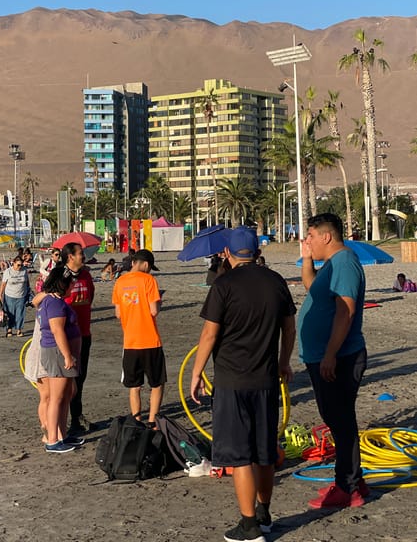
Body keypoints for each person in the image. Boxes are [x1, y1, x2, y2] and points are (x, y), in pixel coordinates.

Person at [190, 226, 296, 542]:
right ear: (257, 252)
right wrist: (283, 361)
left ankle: (249, 525)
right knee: (264, 451)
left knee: (241, 456)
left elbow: (209, 335)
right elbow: (289, 329)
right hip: (265, 380)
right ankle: (263, 514)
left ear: (227, 253)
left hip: (232, 381)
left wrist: (196, 373)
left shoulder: (223, 285)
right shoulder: (276, 282)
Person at [299, 213, 368, 510]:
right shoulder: (331, 265)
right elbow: (311, 287)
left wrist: (329, 354)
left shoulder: (345, 263)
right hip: (325, 356)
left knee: (340, 421)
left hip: (339, 356)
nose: (307, 242)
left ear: (326, 236)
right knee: (337, 419)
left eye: (310, 236)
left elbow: (345, 311)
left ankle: (348, 487)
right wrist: (305, 259)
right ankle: (352, 480)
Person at [112, 248, 165, 425]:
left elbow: (118, 313)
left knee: (135, 386)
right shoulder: (149, 280)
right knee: (156, 383)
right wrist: (158, 302)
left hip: (130, 342)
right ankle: (152, 420)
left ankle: (137, 419)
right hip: (150, 340)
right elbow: (154, 310)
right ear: (146, 265)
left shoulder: (120, 282)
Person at [36, 265, 83, 453]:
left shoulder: (53, 300)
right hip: (57, 353)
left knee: (65, 396)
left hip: (59, 352)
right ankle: (53, 440)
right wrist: (67, 356)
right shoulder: (54, 303)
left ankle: (62, 435)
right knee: (56, 398)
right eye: (70, 284)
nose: (73, 287)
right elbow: (57, 330)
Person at [61, 242, 95, 436]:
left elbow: (91, 296)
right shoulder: (62, 276)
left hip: (84, 334)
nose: (83, 256)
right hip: (66, 336)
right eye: (80, 253)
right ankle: (61, 421)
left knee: (80, 378)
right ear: (70, 257)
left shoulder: (86, 275)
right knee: (66, 380)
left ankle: (77, 417)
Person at [0, 255, 30, 336]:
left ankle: (19, 329)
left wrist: (28, 292)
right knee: (10, 314)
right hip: (9, 296)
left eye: (21, 265)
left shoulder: (24, 271)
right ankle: (9, 329)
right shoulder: (8, 272)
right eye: (18, 265)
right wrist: (0, 295)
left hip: (21, 296)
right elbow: (3, 284)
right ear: (13, 263)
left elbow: (27, 282)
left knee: (20, 314)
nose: (20, 267)